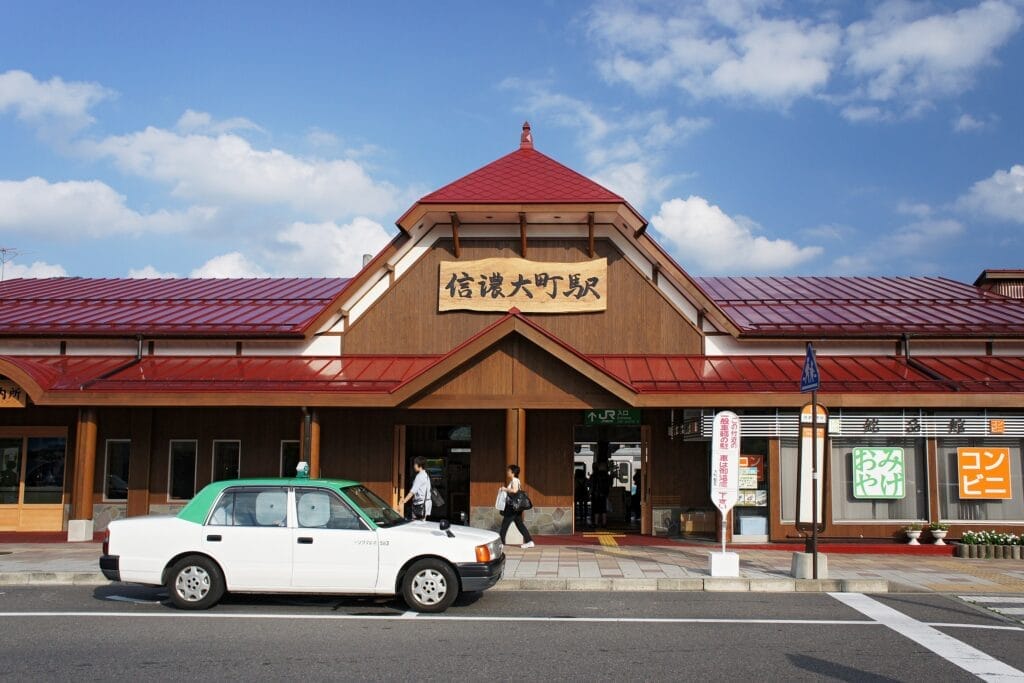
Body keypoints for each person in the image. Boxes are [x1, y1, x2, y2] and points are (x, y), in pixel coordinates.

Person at [499, 464, 534, 549]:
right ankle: (529, 541)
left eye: (508, 471)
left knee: (505, 525)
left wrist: (505, 489)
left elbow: (515, 490)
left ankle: (501, 543)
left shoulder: (515, 480)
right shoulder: (514, 480)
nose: (507, 472)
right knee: (519, 524)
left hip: (512, 507)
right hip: (516, 507)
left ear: (513, 472)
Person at [400, 456, 432, 520]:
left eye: (415, 464)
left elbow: (412, 492)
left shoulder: (419, 476)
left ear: (419, 465)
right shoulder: (426, 475)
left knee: (416, 523)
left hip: (420, 505)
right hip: (426, 503)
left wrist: (403, 501)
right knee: (422, 523)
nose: (414, 466)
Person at [590, 462, 611, 529]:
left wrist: (592, 492)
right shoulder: (606, 475)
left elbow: (592, 485)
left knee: (596, 510)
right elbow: (609, 485)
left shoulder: (594, 475)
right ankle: (604, 524)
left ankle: (596, 524)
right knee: (603, 509)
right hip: (604, 495)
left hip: (596, 495)